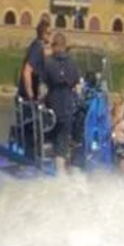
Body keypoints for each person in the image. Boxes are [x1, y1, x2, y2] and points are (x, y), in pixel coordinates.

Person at [43, 32, 81, 174]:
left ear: (54, 45)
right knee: (63, 141)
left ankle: (52, 171)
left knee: (50, 138)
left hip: (52, 104)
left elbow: (42, 84)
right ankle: (62, 172)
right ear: (64, 46)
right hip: (67, 105)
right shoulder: (72, 63)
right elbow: (77, 86)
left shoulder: (48, 62)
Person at [17, 19, 51, 102]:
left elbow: (46, 53)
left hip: (26, 93)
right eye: (49, 33)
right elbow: (27, 71)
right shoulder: (37, 48)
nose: (51, 36)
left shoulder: (36, 44)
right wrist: (31, 95)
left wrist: (61, 49)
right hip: (29, 97)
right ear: (44, 34)